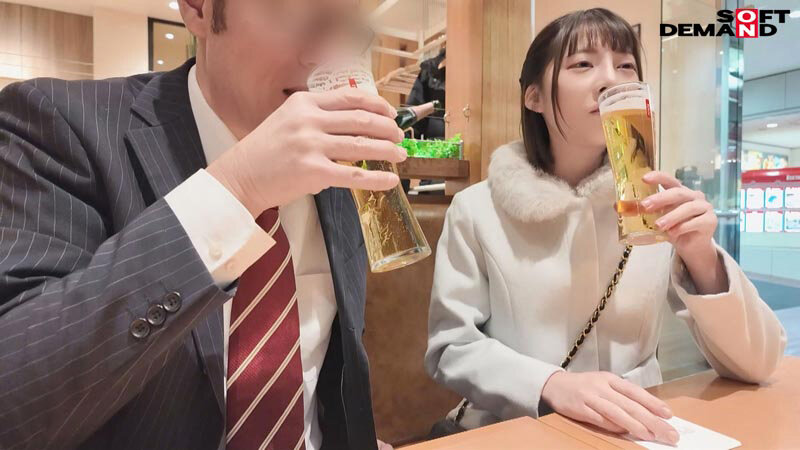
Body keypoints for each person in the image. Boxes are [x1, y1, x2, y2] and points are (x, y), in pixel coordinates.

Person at [0, 0, 402, 449]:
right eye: (304, 18)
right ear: (198, 9)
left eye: (349, 29)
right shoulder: (58, 125)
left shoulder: (341, 166)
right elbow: (13, 403)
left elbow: (327, 376)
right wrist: (236, 188)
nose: (329, 58)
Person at [425, 8, 786, 446]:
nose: (611, 80)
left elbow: (759, 363)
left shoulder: (655, 206)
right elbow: (451, 348)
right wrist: (550, 384)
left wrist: (702, 258)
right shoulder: (477, 209)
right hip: (517, 431)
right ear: (534, 97)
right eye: (583, 63)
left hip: (637, 432)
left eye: (626, 65)